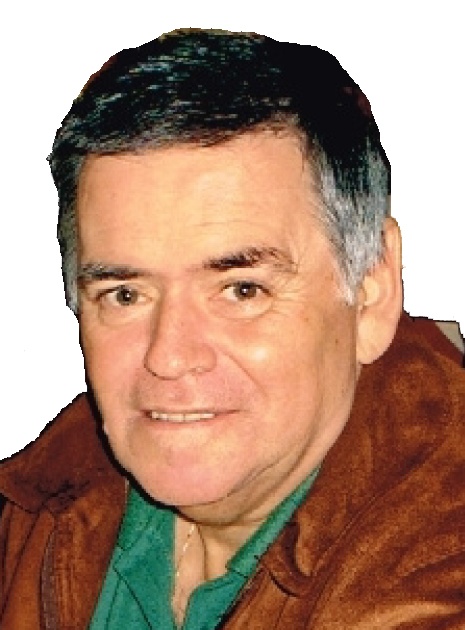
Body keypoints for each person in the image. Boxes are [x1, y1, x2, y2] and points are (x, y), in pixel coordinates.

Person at [0, 29, 464, 629]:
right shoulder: (34, 506)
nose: (169, 357)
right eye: (126, 294)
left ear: (371, 290)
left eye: (242, 290)